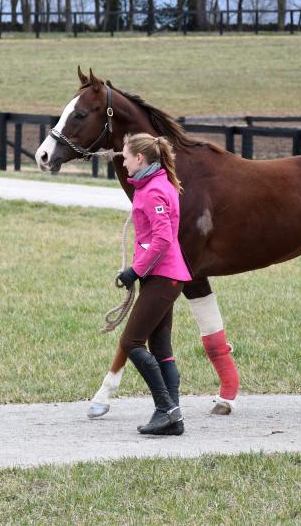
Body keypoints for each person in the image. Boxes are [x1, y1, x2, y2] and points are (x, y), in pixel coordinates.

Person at [114, 132, 192, 435]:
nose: (122, 159)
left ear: (139, 158)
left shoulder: (154, 190)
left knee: (131, 342)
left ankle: (167, 409)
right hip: (164, 277)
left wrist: (135, 270)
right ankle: (172, 418)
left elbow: (162, 238)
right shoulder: (156, 185)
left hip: (164, 276)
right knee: (162, 349)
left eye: (125, 155)